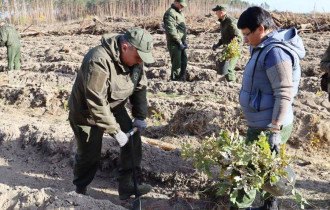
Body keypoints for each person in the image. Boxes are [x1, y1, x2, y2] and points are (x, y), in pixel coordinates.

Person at [68, 28, 155, 200]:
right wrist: (114, 131)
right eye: (138, 57)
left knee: (132, 139)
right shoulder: (98, 60)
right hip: (86, 113)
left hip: (114, 107)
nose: (140, 62)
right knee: (89, 154)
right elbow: (96, 101)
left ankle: (127, 184)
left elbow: (139, 88)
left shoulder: (135, 60)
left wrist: (140, 116)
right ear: (124, 47)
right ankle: (80, 191)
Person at [233, 7, 306, 210]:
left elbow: (284, 92)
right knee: (266, 169)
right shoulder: (263, 47)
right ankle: (269, 206)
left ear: (262, 29)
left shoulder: (276, 52)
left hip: (268, 126)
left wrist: (275, 128)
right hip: (263, 122)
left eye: (248, 34)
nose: (245, 39)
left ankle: (240, 207)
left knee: (249, 172)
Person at [212, 4, 243, 83]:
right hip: (228, 47)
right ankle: (230, 84)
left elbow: (238, 37)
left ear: (221, 12)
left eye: (217, 12)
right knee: (224, 68)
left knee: (228, 68)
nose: (216, 13)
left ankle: (233, 86)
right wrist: (218, 45)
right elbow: (225, 37)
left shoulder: (231, 21)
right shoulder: (223, 21)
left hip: (234, 48)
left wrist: (231, 48)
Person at [163, 0, 188, 81]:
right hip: (174, 42)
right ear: (176, 2)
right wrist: (180, 42)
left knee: (184, 61)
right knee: (177, 64)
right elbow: (171, 30)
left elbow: (181, 28)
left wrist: (184, 40)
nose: (183, 7)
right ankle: (175, 82)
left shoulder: (180, 12)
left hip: (181, 42)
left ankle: (182, 79)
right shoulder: (170, 13)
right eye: (181, 5)